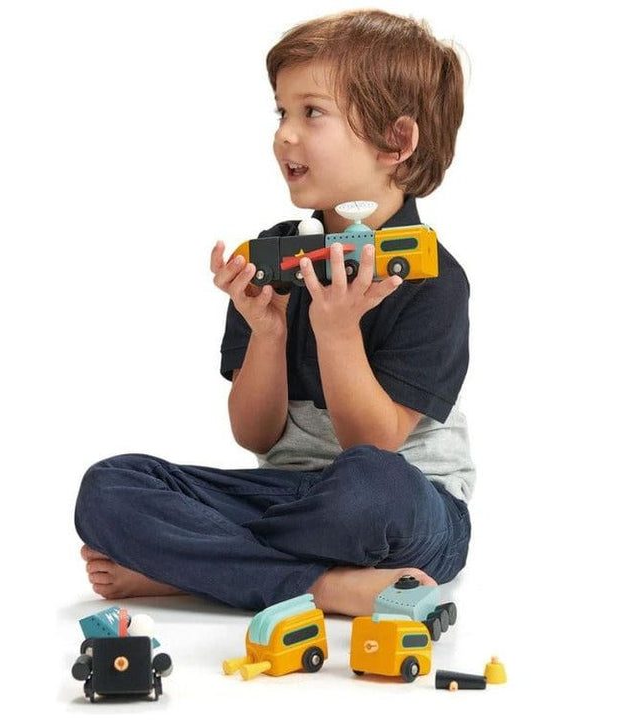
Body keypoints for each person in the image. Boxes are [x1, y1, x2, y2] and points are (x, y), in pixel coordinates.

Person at [75, 9, 475, 617]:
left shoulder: (432, 278)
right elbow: (255, 436)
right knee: (109, 488)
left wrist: (337, 333)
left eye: (312, 112)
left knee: (369, 489)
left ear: (396, 141)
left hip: (407, 508)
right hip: (285, 496)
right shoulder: (274, 260)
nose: (285, 134)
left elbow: (373, 443)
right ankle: (325, 587)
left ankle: (196, 564)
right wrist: (267, 330)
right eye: (281, 112)